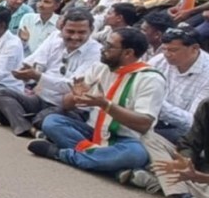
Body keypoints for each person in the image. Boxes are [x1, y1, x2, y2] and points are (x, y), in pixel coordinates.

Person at [29, 28, 166, 175]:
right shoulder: (100, 67)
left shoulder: (151, 79)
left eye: (109, 47)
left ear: (128, 53)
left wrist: (105, 105)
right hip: (92, 132)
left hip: (125, 140)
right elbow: (66, 104)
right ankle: (109, 167)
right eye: (104, 45)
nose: (103, 49)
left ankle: (62, 154)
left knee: (135, 155)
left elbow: (144, 124)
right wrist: (75, 96)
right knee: (52, 122)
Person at [0, 7, 102, 138]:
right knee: (0, 93)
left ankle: (19, 120)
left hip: (68, 108)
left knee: (44, 119)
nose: (75, 37)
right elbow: (35, 61)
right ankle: (29, 127)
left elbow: (72, 86)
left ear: (91, 31)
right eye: (70, 31)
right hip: (41, 98)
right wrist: (24, 72)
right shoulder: (55, 38)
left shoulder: (96, 53)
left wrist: (37, 76)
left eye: (82, 32)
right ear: (61, 28)